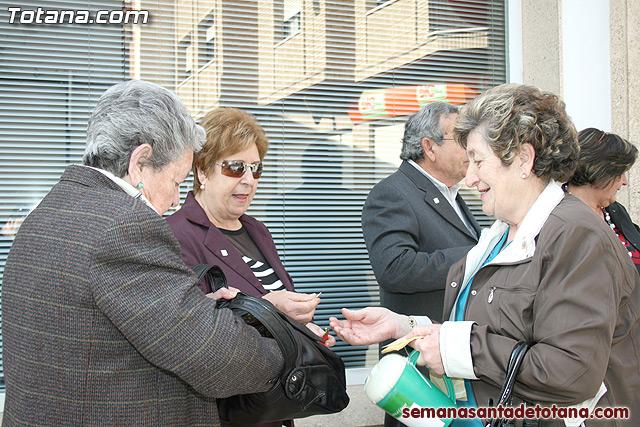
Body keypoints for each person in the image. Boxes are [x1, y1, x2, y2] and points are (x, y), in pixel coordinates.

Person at [331, 84, 640, 426]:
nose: (471, 176)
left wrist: (454, 350)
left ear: (523, 158)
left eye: (478, 160)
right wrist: (407, 325)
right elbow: (491, 327)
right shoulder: (499, 235)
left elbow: (569, 372)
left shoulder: (575, 233)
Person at [2, 80, 284, 427]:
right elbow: (208, 354)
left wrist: (211, 310)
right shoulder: (125, 225)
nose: (176, 201)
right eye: (177, 181)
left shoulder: (44, 214)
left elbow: (99, 325)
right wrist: (293, 351)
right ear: (140, 162)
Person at [167, 107, 332, 427]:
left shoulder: (257, 230)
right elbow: (192, 335)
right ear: (201, 170)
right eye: (234, 167)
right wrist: (268, 310)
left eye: (255, 169)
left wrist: (304, 335)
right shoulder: (176, 235)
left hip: (273, 410)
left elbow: (275, 313)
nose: (248, 180)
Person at [362, 101, 481, 323]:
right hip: (417, 345)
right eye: (461, 140)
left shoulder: (451, 192)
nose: (470, 150)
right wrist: (477, 256)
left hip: (451, 340)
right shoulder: (391, 193)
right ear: (429, 147)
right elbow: (394, 268)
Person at [565, 127, 640, 274]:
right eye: (620, 174)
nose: (625, 182)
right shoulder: (563, 219)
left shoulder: (614, 209)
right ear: (600, 172)